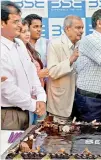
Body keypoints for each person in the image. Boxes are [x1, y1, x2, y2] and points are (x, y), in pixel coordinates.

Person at [1, 1, 46, 130]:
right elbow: (7, 89)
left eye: (20, 21)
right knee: (10, 150)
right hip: (9, 115)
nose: (20, 25)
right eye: (15, 22)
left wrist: (41, 98)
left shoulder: (20, 44)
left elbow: (32, 74)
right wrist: (34, 104)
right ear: (1, 23)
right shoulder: (1, 51)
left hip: (29, 111)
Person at [47, 15, 84, 123]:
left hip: (80, 103)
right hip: (60, 104)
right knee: (59, 138)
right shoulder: (55, 44)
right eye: (78, 28)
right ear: (67, 28)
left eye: (82, 28)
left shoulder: (81, 44)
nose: (81, 31)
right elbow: (52, 72)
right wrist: (70, 60)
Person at [18, 20, 48, 125]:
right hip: (26, 102)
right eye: (23, 31)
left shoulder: (29, 48)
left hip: (37, 98)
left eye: (27, 31)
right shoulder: (16, 51)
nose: (27, 34)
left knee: (37, 134)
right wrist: (39, 74)